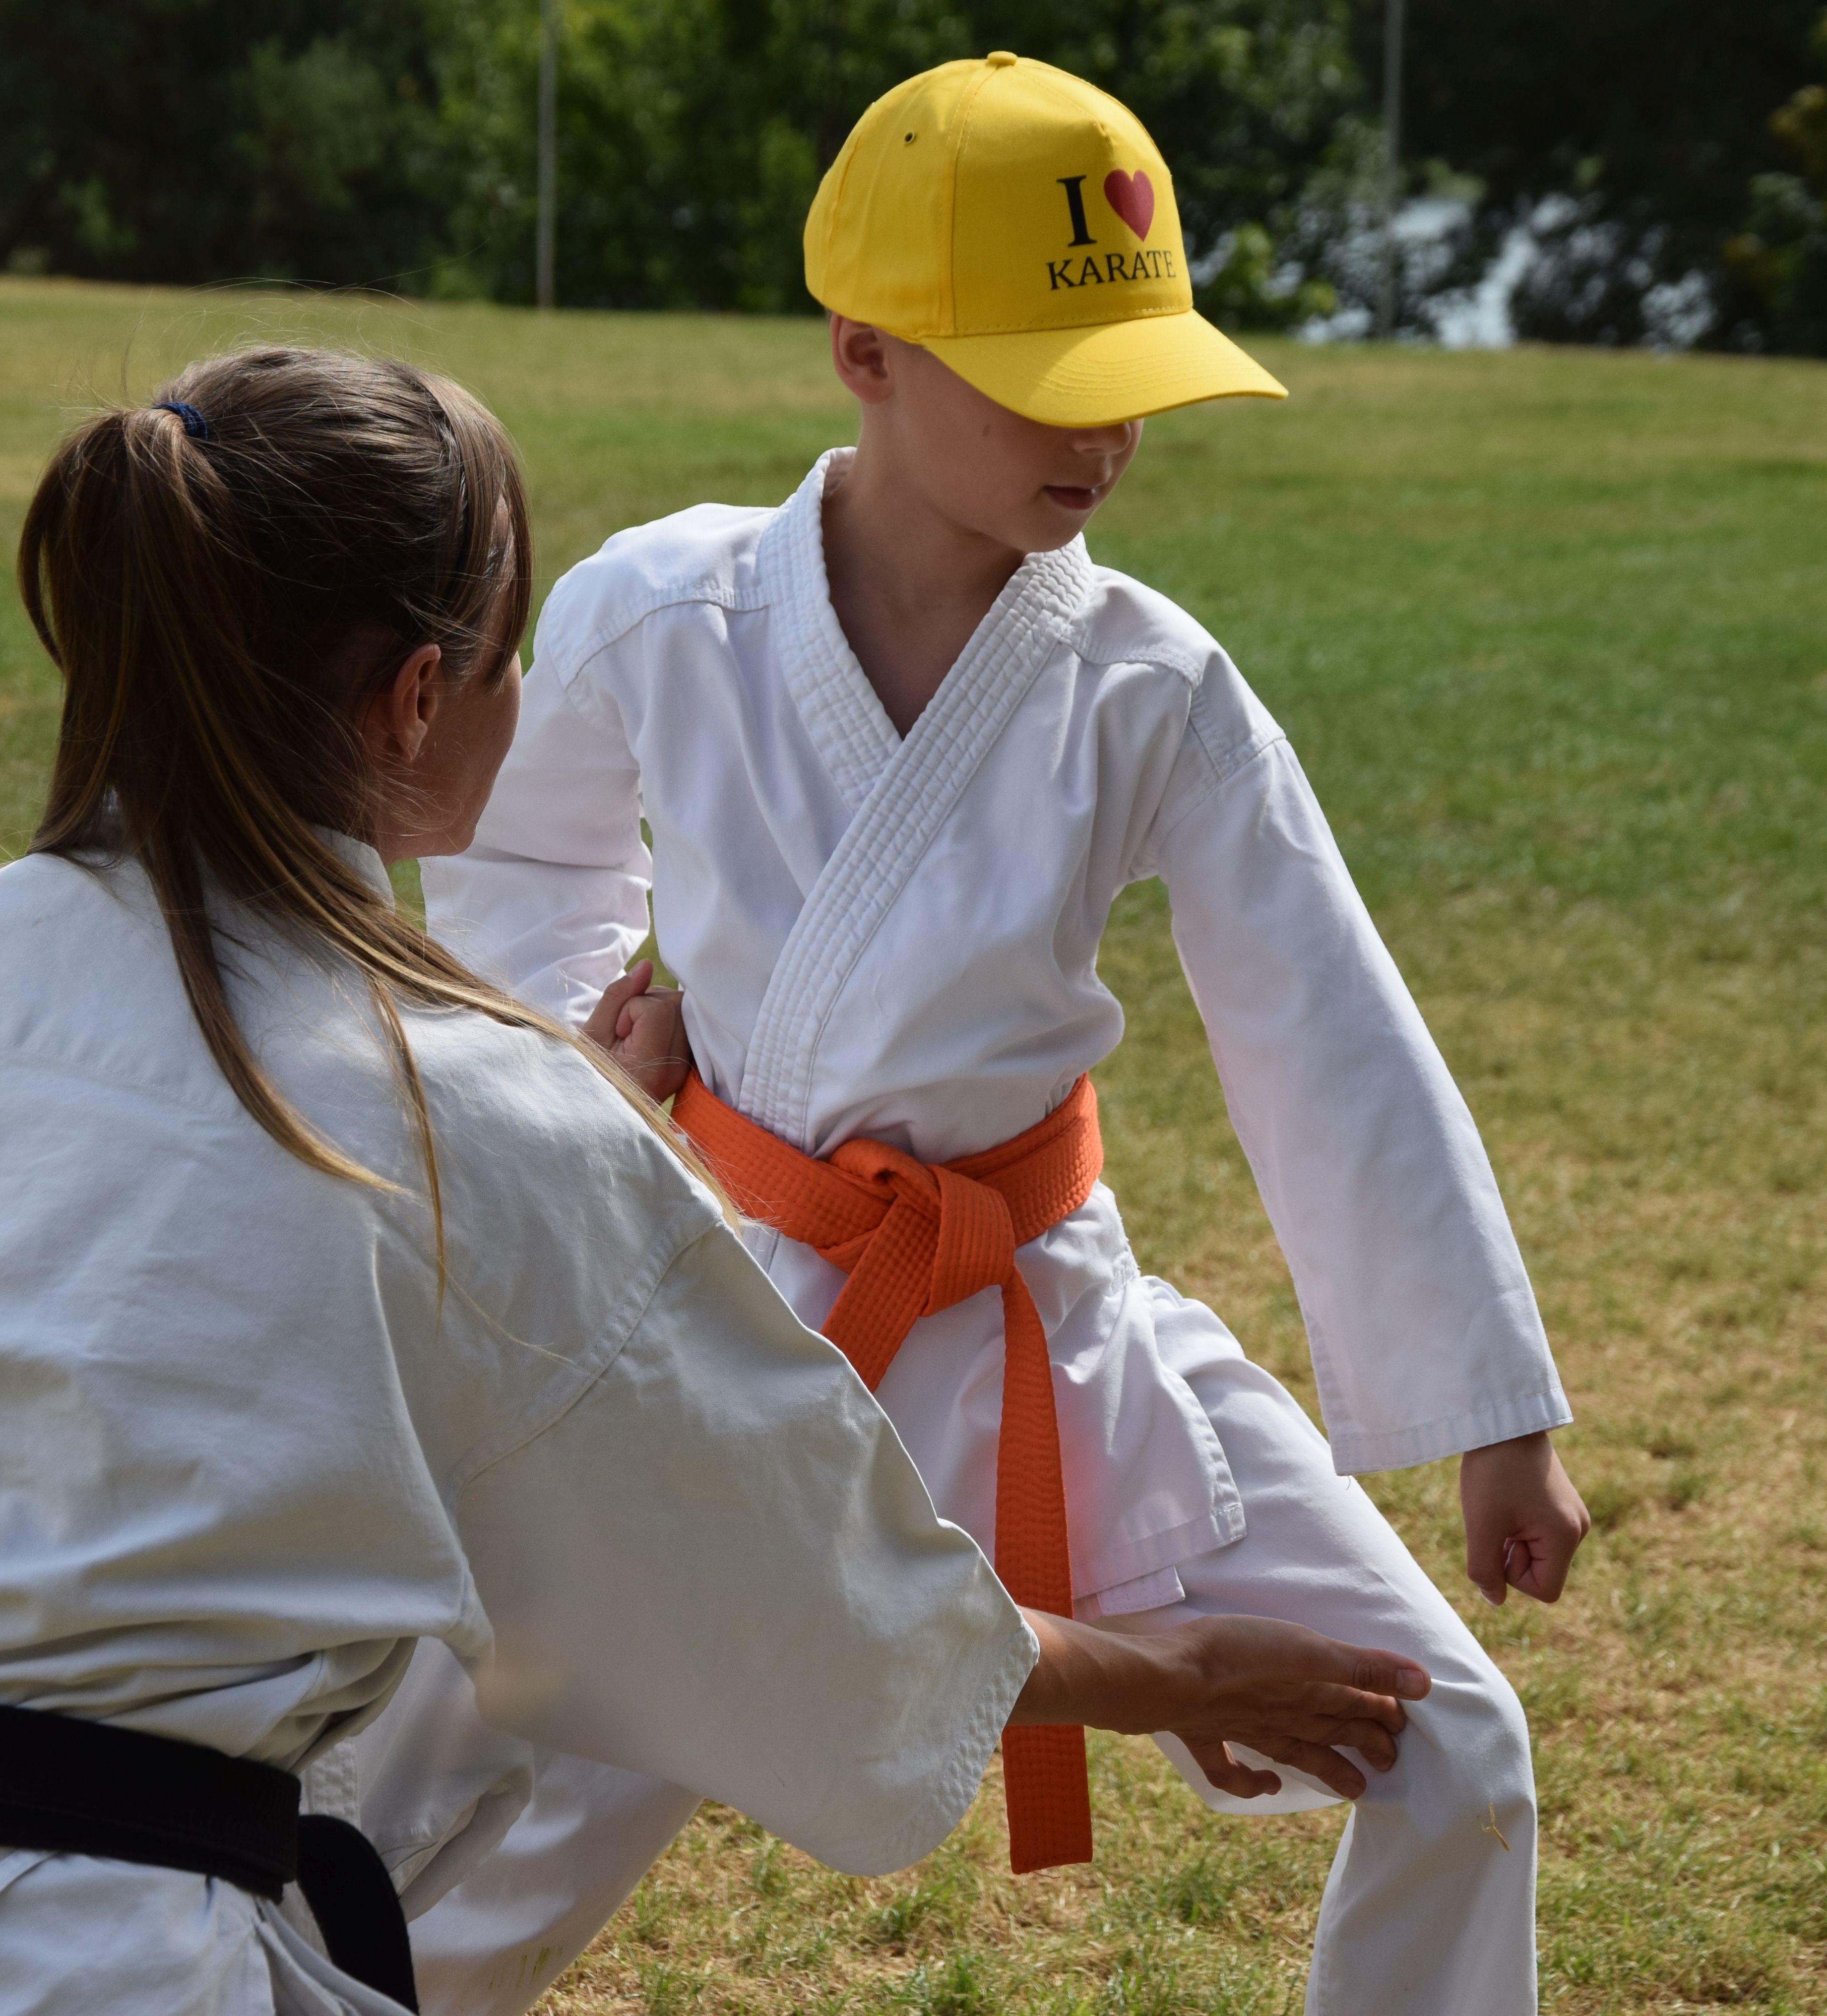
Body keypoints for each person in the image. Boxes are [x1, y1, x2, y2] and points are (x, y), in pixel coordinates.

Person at [0, 347, 1435, 2016]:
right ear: (422, 702)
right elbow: (810, 1607)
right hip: (56, 1962)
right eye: (514, 660)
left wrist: (528, 1144)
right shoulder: (484, 1126)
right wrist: (1172, 1667)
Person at [362, 53, 1594, 2016]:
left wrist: (1484, 1413)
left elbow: (1323, 1022)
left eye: (1135, 381)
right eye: (1046, 372)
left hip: (1052, 1331)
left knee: (1447, 1736)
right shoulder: (663, 610)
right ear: (863, 349)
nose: (1104, 434)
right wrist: (593, 1041)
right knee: (464, 1835)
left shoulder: (1147, 688)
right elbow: (522, 844)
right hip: (725, 1326)